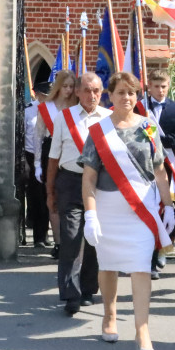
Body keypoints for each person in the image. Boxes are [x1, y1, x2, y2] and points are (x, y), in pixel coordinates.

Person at [80, 72, 174, 350]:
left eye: (132, 93)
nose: (127, 98)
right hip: (109, 207)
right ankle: (109, 314)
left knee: (141, 267)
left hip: (140, 210)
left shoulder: (148, 127)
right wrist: (90, 215)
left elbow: (159, 171)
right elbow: (89, 178)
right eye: (121, 92)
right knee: (107, 264)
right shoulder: (98, 131)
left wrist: (168, 205)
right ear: (110, 95)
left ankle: (142, 329)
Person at [47, 73, 109, 315]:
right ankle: (70, 294)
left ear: (101, 93)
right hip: (70, 181)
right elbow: (53, 158)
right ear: (78, 93)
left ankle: (87, 289)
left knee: (94, 238)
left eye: (96, 91)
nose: (91, 95)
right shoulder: (64, 118)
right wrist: (49, 191)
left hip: (99, 183)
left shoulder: (108, 118)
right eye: (86, 90)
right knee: (71, 237)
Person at [143, 69, 175, 281]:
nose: (160, 90)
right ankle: (147, 256)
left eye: (164, 86)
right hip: (142, 165)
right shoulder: (140, 107)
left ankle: (160, 250)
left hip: (166, 167)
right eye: (156, 86)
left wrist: (157, 139)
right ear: (148, 86)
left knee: (165, 210)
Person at [38, 71, 77, 257]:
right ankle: (58, 242)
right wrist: (38, 164)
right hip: (50, 150)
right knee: (52, 197)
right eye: (65, 86)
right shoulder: (46, 107)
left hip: (71, 153)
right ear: (58, 86)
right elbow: (37, 137)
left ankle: (72, 241)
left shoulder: (78, 106)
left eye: (71, 86)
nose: (68, 90)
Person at [23, 83, 52, 250]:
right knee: (36, 199)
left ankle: (47, 233)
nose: (46, 98)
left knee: (49, 197)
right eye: (43, 95)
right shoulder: (28, 111)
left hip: (48, 156)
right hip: (31, 156)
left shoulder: (54, 110)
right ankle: (38, 237)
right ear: (37, 95)